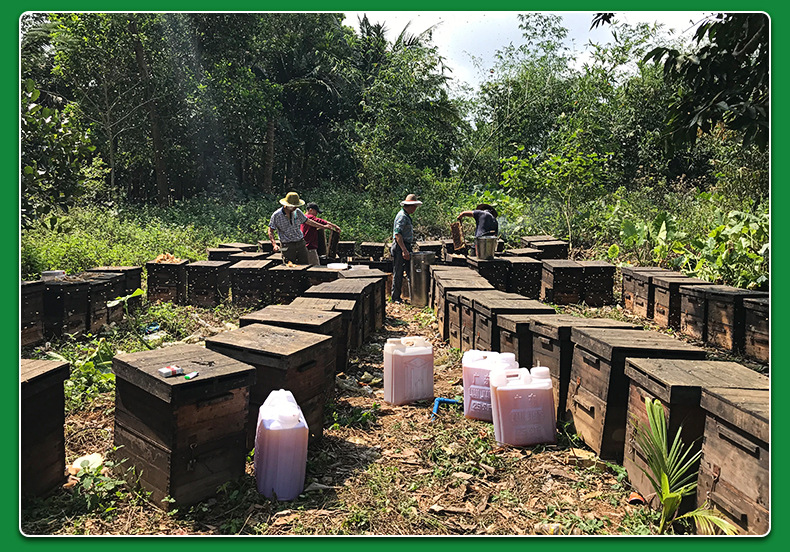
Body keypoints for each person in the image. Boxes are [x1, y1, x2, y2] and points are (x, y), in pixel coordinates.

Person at [268, 192, 333, 265]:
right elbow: (270, 230)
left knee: (305, 265)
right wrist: (274, 244)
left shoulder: (297, 211)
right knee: (289, 266)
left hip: (300, 243)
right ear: (286, 205)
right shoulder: (277, 215)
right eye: (293, 206)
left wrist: (323, 226)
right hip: (287, 245)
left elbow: (308, 221)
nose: (295, 207)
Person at [390, 193, 422, 303]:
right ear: (410, 206)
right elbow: (397, 235)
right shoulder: (402, 216)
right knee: (398, 272)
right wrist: (404, 250)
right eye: (414, 207)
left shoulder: (406, 216)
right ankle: (395, 298)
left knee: (409, 271)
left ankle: (414, 296)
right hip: (400, 246)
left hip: (405, 245)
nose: (415, 209)